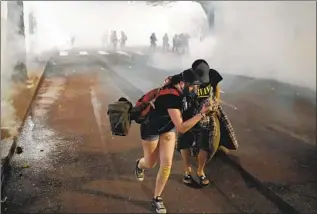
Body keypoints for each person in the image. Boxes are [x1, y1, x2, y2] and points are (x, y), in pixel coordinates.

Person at [135, 67, 210, 213]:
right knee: (150, 163)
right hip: (151, 128)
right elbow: (181, 127)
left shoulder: (180, 84)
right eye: (193, 86)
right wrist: (202, 114)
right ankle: (139, 164)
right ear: (183, 83)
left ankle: (157, 198)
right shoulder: (171, 98)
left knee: (167, 163)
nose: (195, 89)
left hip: (168, 128)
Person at [165, 60, 238, 187]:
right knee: (184, 141)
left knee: (206, 143)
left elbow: (216, 89)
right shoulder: (184, 76)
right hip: (189, 113)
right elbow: (169, 82)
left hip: (207, 114)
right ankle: (187, 171)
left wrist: (215, 101)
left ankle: (200, 171)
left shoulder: (213, 75)